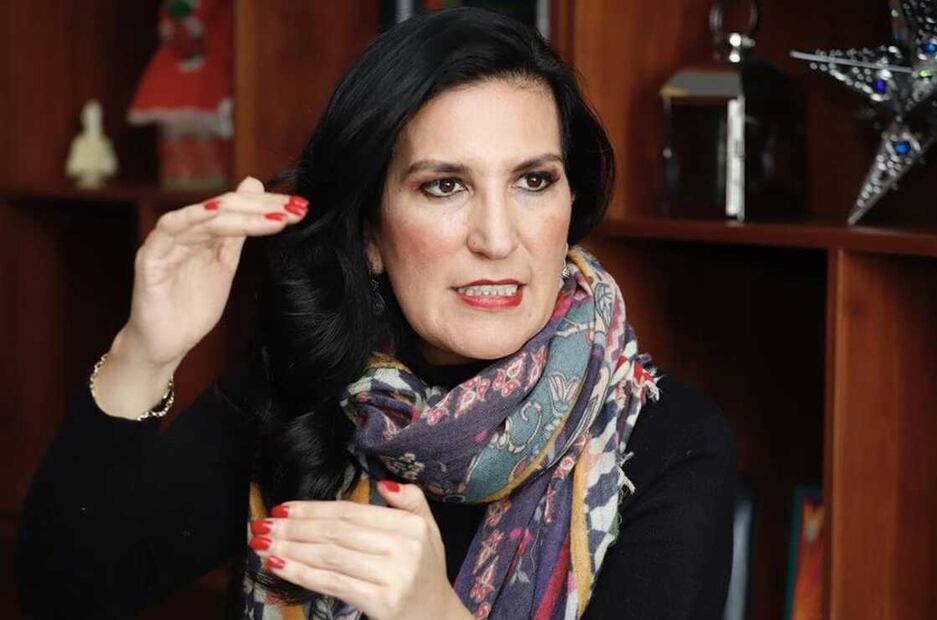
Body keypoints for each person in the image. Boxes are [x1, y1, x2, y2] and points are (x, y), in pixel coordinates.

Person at [15, 7, 736, 620]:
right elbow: (65, 592)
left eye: (533, 180)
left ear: (570, 204)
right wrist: (145, 351)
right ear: (369, 235)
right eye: (445, 185)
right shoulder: (304, 389)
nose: (497, 238)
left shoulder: (668, 440)